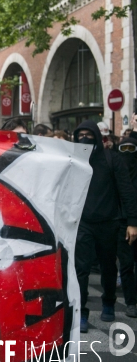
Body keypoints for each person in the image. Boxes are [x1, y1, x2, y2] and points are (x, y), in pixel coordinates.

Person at [73, 121, 137, 333]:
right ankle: (81, 311)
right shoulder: (72, 162)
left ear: (97, 138)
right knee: (81, 270)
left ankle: (108, 302)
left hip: (109, 224)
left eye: (88, 135)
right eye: (80, 135)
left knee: (108, 268)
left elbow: (127, 192)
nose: (84, 139)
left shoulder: (112, 160)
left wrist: (132, 222)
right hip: (83, 224)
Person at [116, 136, 137, 318]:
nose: (128, 154)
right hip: (122, 223)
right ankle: (131, 302)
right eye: (125, 150)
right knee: (126, 264)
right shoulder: (116, 174)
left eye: (132, 149)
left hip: (132, 221)